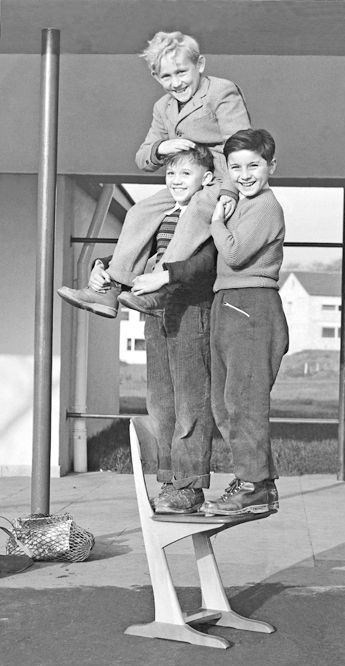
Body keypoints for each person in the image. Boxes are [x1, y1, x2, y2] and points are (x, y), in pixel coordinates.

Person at [58, 30, 250, 318]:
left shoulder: (221, 92)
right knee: (141, 211)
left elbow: (240, 147)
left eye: (182, 72)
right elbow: (143, 158)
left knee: (196, 211)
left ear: (200, 65)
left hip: (218, 178)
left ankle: (160, 285)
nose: (176, 82)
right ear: (155, 77)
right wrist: (163, 147)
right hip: (185, 179)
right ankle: (112, 288)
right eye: (166, 77)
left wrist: (229, 191)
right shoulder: (163, 108)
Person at [89, 145, 217, 513]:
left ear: (206, 179)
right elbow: (142, 254)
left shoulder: (207, 211)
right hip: (154, 310)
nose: (176, 180)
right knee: (160, 400)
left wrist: (166, 276)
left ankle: (190, 486)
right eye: (170, 174)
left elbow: (207, 263)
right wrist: (104, 267)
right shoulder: (164, 213)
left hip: (192, 308)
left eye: (185, 174)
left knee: (191, 400)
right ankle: (169, 480)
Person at [200, 128, 289, 516]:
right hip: (228, 302)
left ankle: (254, 486)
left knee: (244, 401)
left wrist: (217, 220)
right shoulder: (244, 203)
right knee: (224, 404)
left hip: (253, 305)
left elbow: (234, 255)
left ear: (271, 166)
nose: (245, 174)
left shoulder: (266, 206)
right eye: (235, 166)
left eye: (254, 165)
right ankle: (257, 481)